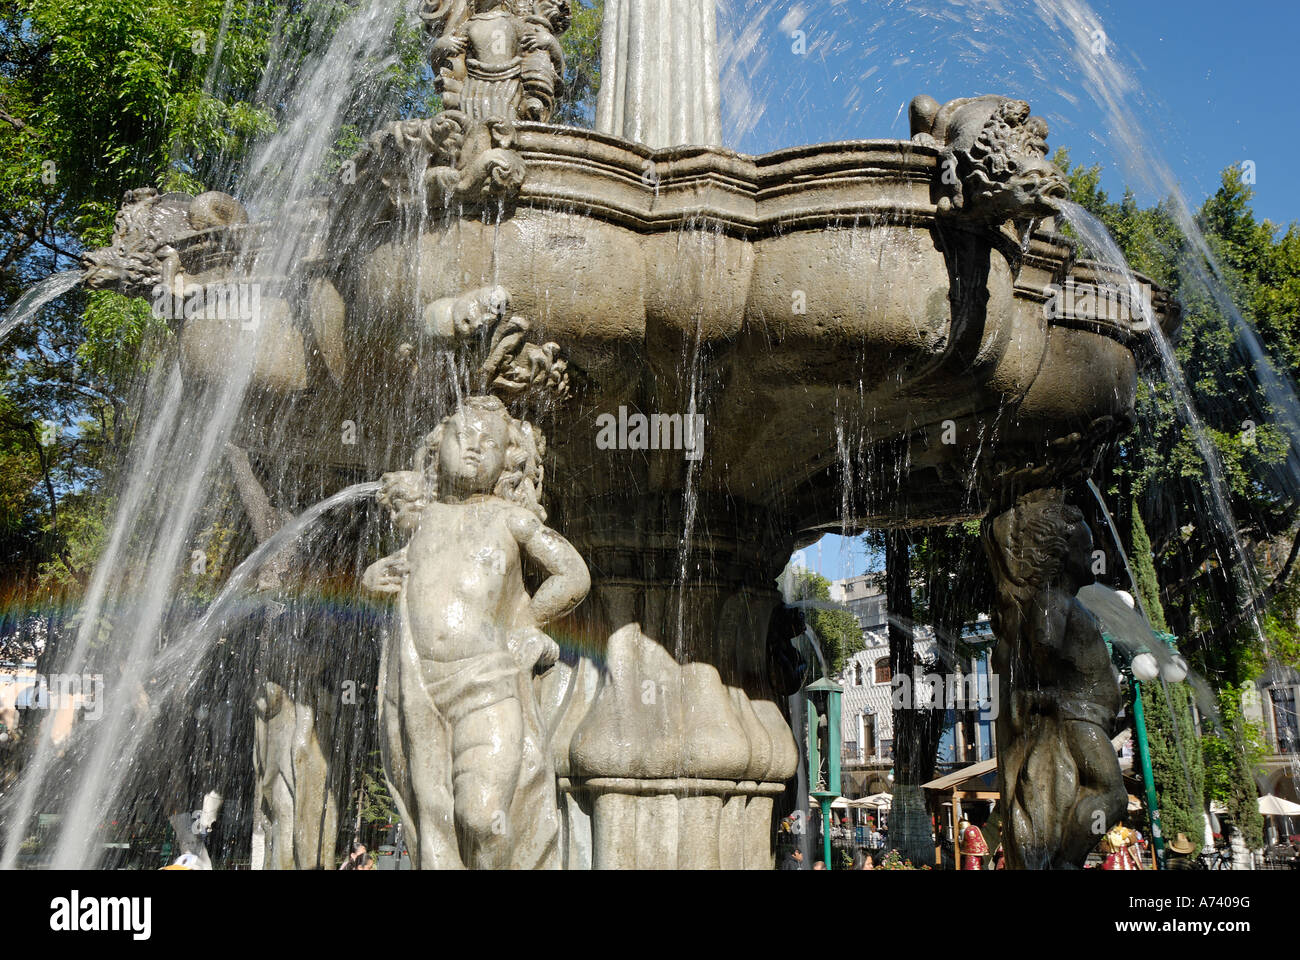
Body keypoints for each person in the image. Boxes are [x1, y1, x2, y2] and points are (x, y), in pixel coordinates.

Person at [364, 396, 590, 869]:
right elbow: (394, 583)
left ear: (507, 458)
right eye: (462, 437)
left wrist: (526, 624)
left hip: (486, 684)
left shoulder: (509, 518)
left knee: (483, 817)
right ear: (437, 444)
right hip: (419, 689)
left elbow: (572, 573)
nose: (472, 449)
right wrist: (373, 580)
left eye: (488, 443)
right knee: (434, 824)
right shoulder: (419, 518)